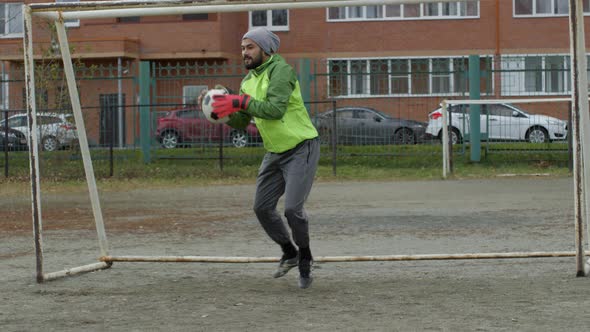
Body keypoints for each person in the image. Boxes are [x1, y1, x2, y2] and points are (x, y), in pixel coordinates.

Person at [210, 27, 320, 289]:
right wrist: (223, 113)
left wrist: (240, 101)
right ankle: (289, 252)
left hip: (301, 147)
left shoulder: (281, 71)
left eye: (250, 47)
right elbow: (241, 121)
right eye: (243, 47)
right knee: (262, 207)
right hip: (275, 152)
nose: (244, 52)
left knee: (293, 209)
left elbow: (274, 110)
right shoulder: (248, 81)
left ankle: (305, 257)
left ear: (266, 49)